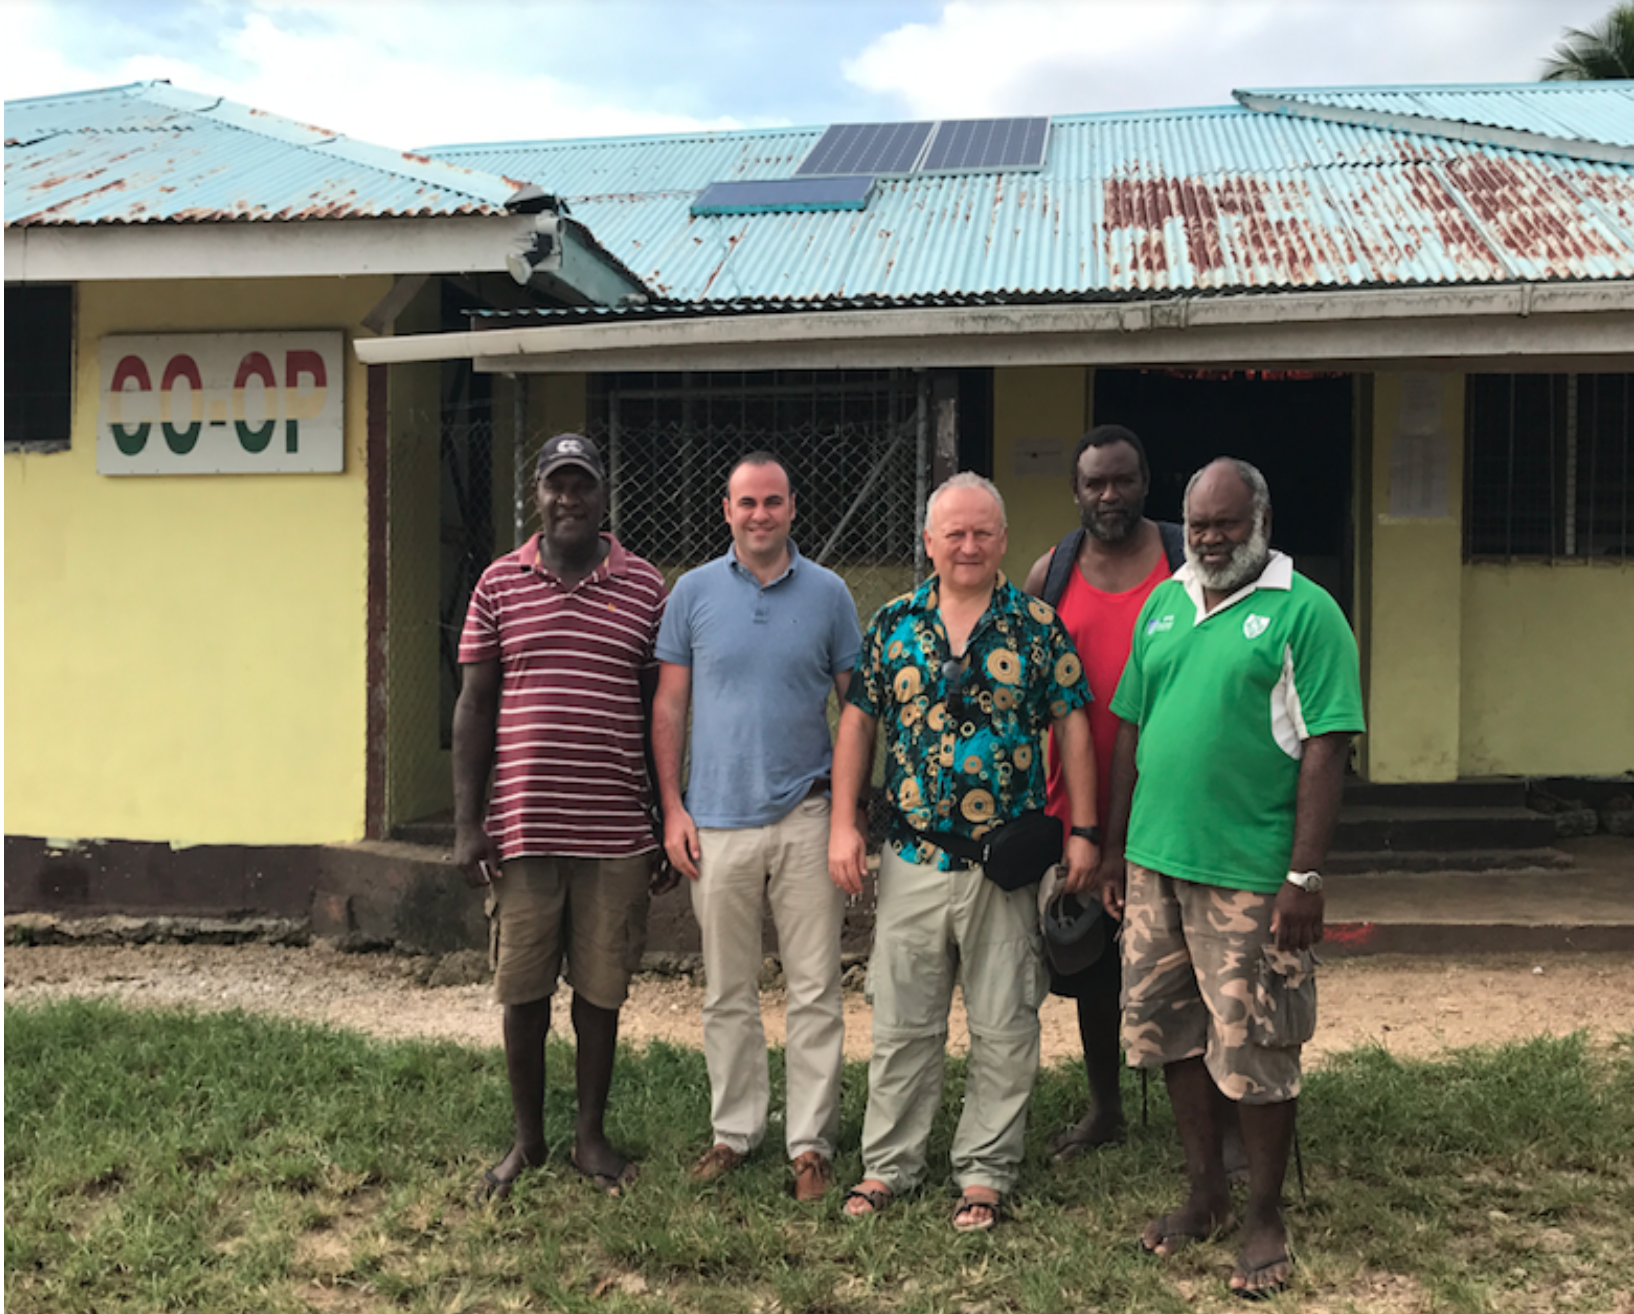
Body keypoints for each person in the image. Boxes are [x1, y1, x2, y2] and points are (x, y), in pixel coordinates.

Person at [1099, 457, 1365, 1298]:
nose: (1211, 538)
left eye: (1227, 523)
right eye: (1201, 523)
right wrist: (1113, 849)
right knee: (1173, 1032)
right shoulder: (1166, 601)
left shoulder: (1306, 614)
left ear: (1261, 521)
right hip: (1156, 866)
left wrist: (1305, 878)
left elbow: (1328, 746)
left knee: (1256, 1048)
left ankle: (1264, 1218)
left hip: (1251, 876)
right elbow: (1131, 729)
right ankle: (1205, 1196)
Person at [829, 472, 1099, 1232]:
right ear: (929, 542)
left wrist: (1084, 828)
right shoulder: (892, 624)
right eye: (954, 532)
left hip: (1004, 866)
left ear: (1004, 541)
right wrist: (843, 824)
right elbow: (858, 724)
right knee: (903, 1024)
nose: (969, 545)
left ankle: (984, 1173)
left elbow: (1072, 722)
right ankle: (889, 1165)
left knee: (1004, 1022)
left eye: (983, 532)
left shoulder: (1037, 626)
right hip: (914, 858)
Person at [453, 432, 671, 1202]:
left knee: (601, 989)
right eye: (556, 485)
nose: (569, 498)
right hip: (524, 830)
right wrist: (468, 823)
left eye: (582, 485)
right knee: (522, 989)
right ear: (537, 494)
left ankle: (588, 1137)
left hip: (615, 831)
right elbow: (475, 705)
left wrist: (664, 819)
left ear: (604, 495)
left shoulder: (647, 588)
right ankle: (528, 1140)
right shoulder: (498, 584)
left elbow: (662, 713)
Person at [651, 452, 862, 1203]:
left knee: (814, 990)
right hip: (716, 823)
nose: (760, 515)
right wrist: (673, 806)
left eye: (773, 501)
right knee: (727, 992)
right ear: (726, 508)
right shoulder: (694, 594)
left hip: (806, 815)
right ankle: (734, 1132)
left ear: (793, 508)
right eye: (747, 503)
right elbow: (670, 704)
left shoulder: (832, 595)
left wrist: (848, 812)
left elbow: (855, 711)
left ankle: (810, 1144)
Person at [1022, 424, 1184, 1161]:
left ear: (1145, 481)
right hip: (1076, 806)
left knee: (1188, 957)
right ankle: (1104, 1108)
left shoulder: (1183, 560)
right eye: (1096, 483)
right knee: (1088, 959)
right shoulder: (1050, 573)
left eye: (1123, 480)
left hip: (1174, 799)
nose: (1110, 494)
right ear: (1077, 491)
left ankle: (1202, 1110)